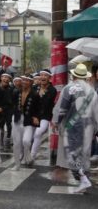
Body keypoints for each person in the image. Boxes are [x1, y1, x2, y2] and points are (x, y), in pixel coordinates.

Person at [52, 63, 98, 193]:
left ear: (73, 75)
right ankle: (84, 179)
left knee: (72, 154)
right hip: (88, 127)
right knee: (84, 154)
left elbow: (62, 109)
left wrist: (56, 121)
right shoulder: (92, 91)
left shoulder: (69, 88)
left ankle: (83, 179)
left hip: (73, 126)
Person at [11, 75, 40, 170]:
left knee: (26, 141)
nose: (24, 82)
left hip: (28, 121)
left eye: (27, 80)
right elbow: (11, 105)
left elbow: (39, 109)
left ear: (31, 83)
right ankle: (17, 164)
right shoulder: (16, 92)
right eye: (23, 80)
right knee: (16, 143)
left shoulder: (35, 94)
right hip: (17, 119)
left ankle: (27, 154)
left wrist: (36, 117)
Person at [30, 69, 57, 161]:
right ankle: (26, 153)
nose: (43, 77)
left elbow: (46, 104)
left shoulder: (52, 90)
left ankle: (32, 156)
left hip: (45, 116)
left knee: (38, 133)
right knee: (28, 136)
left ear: (49, 78)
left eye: (45, 75)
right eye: (41, 75)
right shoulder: (34, 88)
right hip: (33, 115)